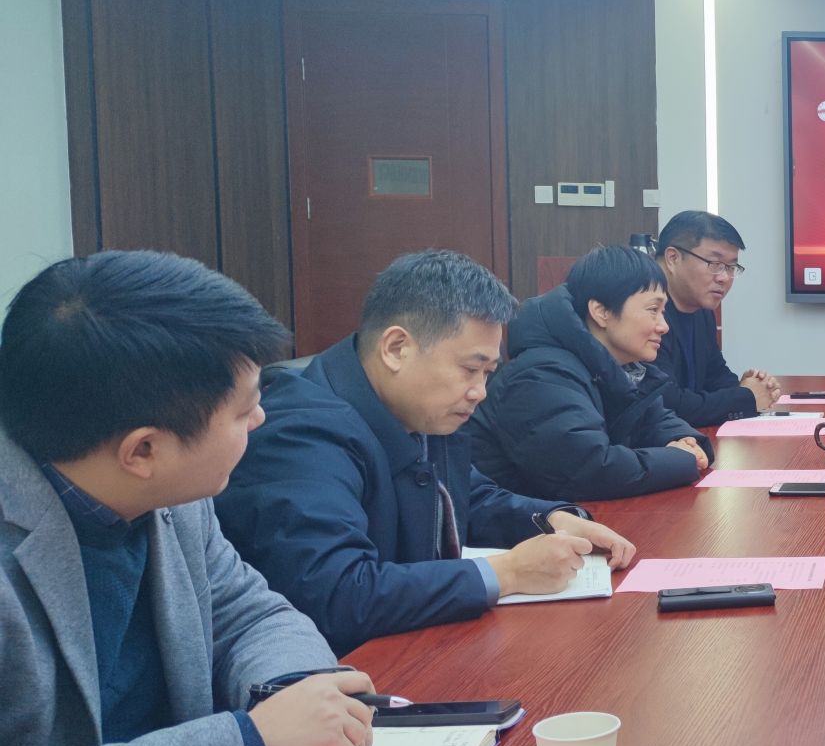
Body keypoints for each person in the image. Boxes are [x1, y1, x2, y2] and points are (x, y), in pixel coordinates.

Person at [1, 252, 378, 746]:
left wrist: (293, 694)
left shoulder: (171, 496)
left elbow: (248, 612)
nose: (260, 420)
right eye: (242, 411)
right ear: (143, 450)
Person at [216, 251, 636, 656]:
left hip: (415, 645)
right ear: (396, 348)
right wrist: (506, 573)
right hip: (340, 673)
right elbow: (339, 594)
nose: (480, 391)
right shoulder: (302, 435)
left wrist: (551, 519)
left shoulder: (420, 408)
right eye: (469, 369)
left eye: (488, 373)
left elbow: (466, 498)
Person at [470, 245, 714, 501]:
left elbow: (654, 420)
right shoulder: (541, 375)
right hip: (520, 523)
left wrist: (686, 441)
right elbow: (589, 470)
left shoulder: (620, 367)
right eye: (653, 310)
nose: (664, 326)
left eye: (663, 312)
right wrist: (681, 459)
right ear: (601, 312)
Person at [652, 210, 782, 424]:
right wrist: (745, 398)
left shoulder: (701, 308)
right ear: (673, 258)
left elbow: (715, 374)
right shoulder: (642, 310)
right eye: (715, 264)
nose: (724, 278)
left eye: (731, 267)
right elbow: (668, 403)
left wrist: (750, 388)